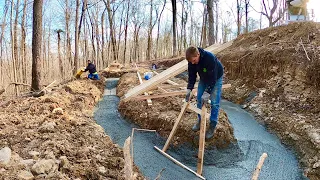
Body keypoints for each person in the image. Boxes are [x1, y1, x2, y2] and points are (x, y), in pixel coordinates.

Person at [185, 46, 224, 139]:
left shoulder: (209, 58)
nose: (193, 63)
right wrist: (189, 89)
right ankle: (200, 120)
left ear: (198, 54)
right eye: (191, 62)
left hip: (216, 78)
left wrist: (207, 93)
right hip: (204, 77)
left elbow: (213, 78)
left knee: (214, 103)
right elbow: (192, 76)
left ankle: (212, 125)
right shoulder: (191, 61)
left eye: (194, 60)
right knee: (199, 99)